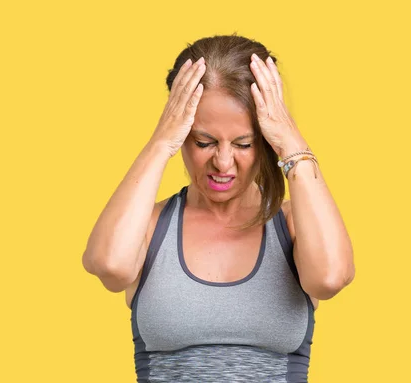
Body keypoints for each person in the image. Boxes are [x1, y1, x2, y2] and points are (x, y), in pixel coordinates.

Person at [81, 34, 355, 383]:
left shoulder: (293, 225)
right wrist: (160, 142)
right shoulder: (149, 227)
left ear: (265, 143)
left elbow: (330, 278)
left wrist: (290, 139)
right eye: (204, 142)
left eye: (243, 143)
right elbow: (109, 265)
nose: (223, 163)